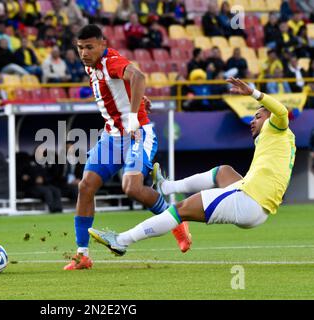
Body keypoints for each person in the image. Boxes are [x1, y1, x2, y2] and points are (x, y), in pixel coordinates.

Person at [88, 78, 296, 257]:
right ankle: (167, 187)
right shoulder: (285, 140)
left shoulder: (277, 125)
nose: (252, 121)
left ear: (270, 119)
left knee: (180, 210)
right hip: (258, 207)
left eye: (258, 117)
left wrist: (253, 93)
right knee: (224, 172)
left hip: (247, 200)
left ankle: (121, 240)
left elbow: (281, 110)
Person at [63, 24, 192, 270]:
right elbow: (120, 89)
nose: (84, 53)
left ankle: (176, 221)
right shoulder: (93, 67)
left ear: (103, 44)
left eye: (89, 47)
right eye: (80, 48)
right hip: (112, 137)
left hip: (137, 134)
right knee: (86, 186)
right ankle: (82, 255)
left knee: (131, 188)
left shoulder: (111, 60)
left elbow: (138, 76)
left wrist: (133, 116)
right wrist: (138, 99)